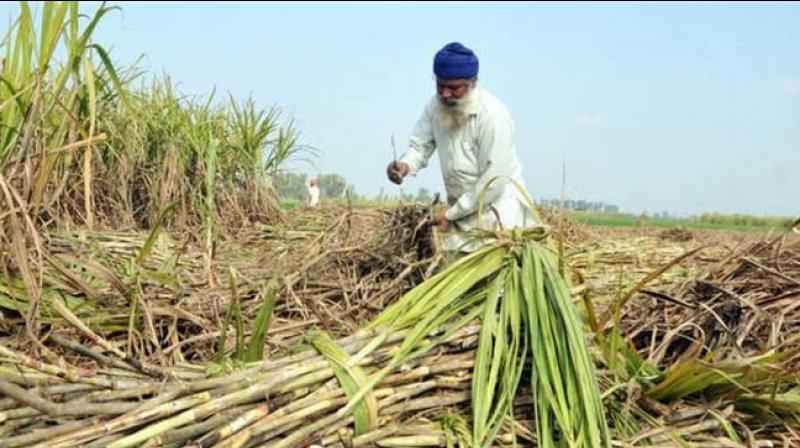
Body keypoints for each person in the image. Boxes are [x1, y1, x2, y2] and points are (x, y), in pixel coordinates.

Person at [386, 42, 536, 254]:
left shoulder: (493, 117)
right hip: (460, 212)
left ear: (472, 83)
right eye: (440, 86)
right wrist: (405, 165)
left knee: (494, 283)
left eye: (454, 88)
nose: (445, 94)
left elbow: (494, 182)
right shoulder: (435, 106)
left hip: (498, 217)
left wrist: (450, 215)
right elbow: (420, 145)